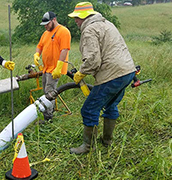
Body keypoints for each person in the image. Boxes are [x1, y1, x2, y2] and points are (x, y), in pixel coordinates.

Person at [68, 2, 136, 154]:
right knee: (111, 106)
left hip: (113, 75)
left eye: (77, 18)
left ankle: (87, 147)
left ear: (85, 17)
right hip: (127, 71)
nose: (76, 21)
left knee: (89, 109)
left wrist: (81, 73)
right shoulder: (107, 24)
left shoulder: (89, 30)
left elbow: (93, 60)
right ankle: (107, 141)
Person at [34, 11, 71, 124]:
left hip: (55, 69)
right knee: (46, 91)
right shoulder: (46, 33)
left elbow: (64, 50)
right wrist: (37, 54)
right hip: (46, 68)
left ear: (54, 20)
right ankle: (48, 113)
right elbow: (39, 46)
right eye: (44, 24)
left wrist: (59, 67)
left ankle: (48, 118)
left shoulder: (63, 31)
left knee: (49, 92)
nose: (46, 26)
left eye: (47, 24)